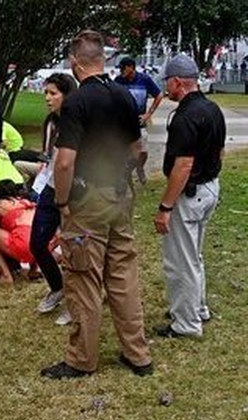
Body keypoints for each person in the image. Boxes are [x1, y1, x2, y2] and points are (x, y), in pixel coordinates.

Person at [41, 30, 152, 379]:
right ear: (103, 60)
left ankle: (81, 359)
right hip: (120, 194)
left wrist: (61, 202)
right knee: (123, 274)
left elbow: (64, 162)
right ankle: (138, 354)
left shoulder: (76, 102)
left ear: (76, 63)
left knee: (84, 277)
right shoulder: (123, 95)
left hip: (87, 200)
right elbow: (138, 150)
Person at [152, 54, 225, 338]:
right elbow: (218, 152)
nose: (166, 88)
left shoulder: (185, 116)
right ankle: (198, 309)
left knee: (180, 260)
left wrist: (165, 206)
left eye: (167, 82)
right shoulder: (212, 108)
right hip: (209, 187)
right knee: (194, 255)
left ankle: (185, 323)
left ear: (177, 82)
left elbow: (183, 165)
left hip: (190, 193)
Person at [30, 73, 78, 325]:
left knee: (72, 248)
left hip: (73, 191)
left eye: (53, 93)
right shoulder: (50, 123)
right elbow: (49, 158)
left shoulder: (78, 122)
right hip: (49, 187)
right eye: (46, 93)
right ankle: (57, 287)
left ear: (67, 95)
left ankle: (75, 302)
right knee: (37, 243)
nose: (47, 98)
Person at [114, 57, 164, 185]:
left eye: (123, 68)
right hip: (124, 121)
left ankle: (140, 167)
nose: (121, 71)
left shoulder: (144, 79)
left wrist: (149, 113)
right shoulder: (118, 81)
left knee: (143, 151)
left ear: (131, 67)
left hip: (140, 120)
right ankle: (125, 174)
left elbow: (159, 95)